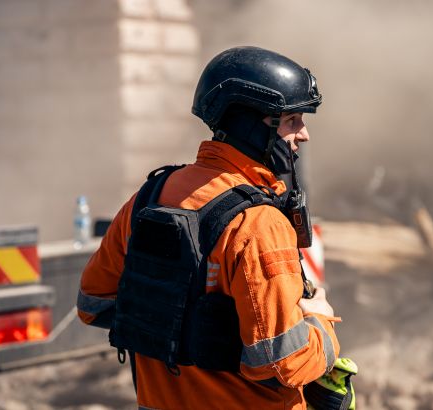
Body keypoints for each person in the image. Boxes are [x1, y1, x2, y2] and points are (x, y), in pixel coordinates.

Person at [77, 46, 340, 410]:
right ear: (251, 125)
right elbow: (286, 362)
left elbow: (92, 303)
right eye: (292, 120)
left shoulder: (150, 197)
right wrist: (320, 322)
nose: (304, 134)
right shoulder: (259, 224)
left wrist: (174, 320)